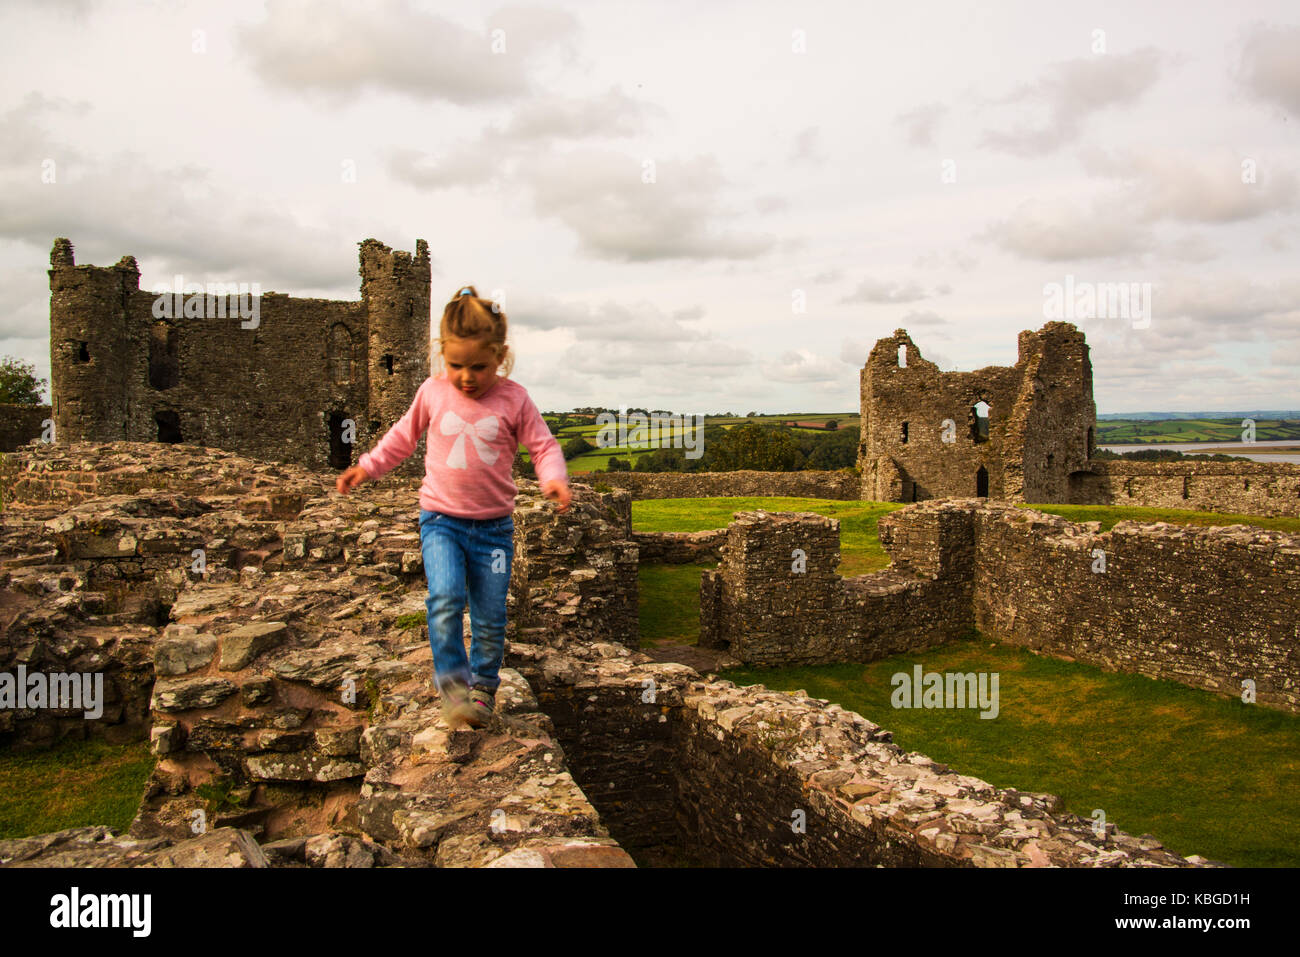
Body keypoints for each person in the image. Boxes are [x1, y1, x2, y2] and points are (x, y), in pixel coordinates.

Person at [335, 285, 571, 729]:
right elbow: (401, 439)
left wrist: (553, 479)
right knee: (444, 598)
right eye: (456, 364)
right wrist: (366, 467)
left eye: (479, 366)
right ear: (442, 354)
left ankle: (483, 688)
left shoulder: (515, 399)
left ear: (500, 356)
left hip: (494, 530)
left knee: (490, 614)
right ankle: (453, 688)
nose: (466, 377)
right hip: (440, 520)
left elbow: (543, 447)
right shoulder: (432, 391)